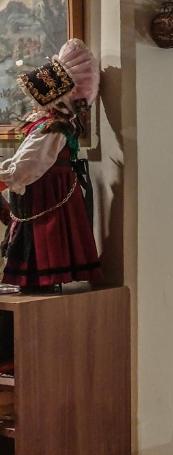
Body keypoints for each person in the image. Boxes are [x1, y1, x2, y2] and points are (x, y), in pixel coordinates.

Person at [0, 38, 101, 290]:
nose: (34, 102)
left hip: (45, 197)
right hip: (44, 194)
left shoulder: (52, 129)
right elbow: (23, 161)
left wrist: (6, 176)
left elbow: (27, 166)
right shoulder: (48, 126)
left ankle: (42, 284)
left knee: (45, 247)